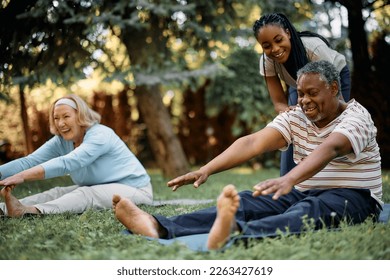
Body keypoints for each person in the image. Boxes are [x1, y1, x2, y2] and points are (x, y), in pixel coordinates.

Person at [112, 61, 382, 250]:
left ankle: (236, 233)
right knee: (246, 202)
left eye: (312, 93)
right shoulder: (297, 116)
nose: (304, 101)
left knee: (307, 211)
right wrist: (206, 169)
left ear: (334, 89)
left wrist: (290, 178)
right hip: (302, 190)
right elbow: (253, 143)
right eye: (300, 94)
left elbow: (331, 148)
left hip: (354, 195)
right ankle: (156, 226)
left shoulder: (357, 117)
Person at [0, 94, 153, 217]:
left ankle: (29, 211)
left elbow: (68, 162)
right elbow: (30, 161)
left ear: (80, 116)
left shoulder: (100, 135)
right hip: (99, 186)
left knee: (85, 194)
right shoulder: (61, 141)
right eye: (56, 118)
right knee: (58, 192)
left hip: (135, 189)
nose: (60, 124)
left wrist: (22, 176)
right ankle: (4, 208)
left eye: (66, 116)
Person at [253, 13, 351, 176]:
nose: (275, 49)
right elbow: (279, 102)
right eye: (267, 45)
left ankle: (328, 180)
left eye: (278, 40)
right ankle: (287, 184)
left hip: (335, 78)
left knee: (329, 124)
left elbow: (333, 98)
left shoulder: (314, 49)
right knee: (291, 126)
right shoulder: (267, 61)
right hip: (297, 84)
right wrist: (289, 115)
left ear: (288, 33)